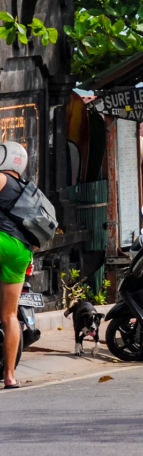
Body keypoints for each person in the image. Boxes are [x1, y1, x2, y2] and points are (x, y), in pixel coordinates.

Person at [0, 141, 34, 388]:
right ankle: (10, 375)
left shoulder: (0, 179)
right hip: (22, 251)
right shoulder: (26, 188)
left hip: (2, 241)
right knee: (10, 315)